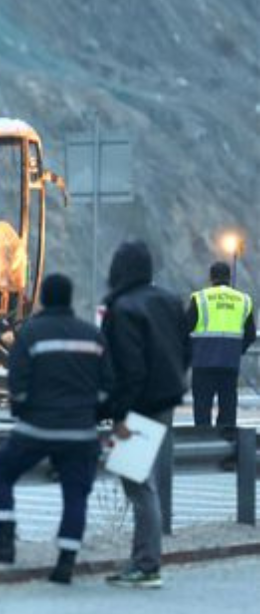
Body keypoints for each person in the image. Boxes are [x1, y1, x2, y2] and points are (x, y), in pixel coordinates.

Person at [0, 274, 112, 585]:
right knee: (75, 495)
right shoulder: (93, 336)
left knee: (0, 472)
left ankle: (4, 541)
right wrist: (91, 416)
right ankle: (66, 562)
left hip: (37, 429)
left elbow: (17, 382)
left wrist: (22, 412)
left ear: (44, 297)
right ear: (70, 298)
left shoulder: (32, 333)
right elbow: (107, 388)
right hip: (80, 433)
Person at [101, 241, 189, 588]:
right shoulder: (169, 300)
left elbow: (129, 368)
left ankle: (147, 565)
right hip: (165, 400)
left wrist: (120, 415)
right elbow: (186, 349)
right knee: (141, 480)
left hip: (138, 404)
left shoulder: (123, 308)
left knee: (138, 484)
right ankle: (143, 560)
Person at [186, 261, 255, 427]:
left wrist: (190, 353)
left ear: (211, 277)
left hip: (203, 362)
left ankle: (204, 445)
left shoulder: (200, 298)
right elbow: (251, 334)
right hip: (230, 363)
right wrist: (238, 350)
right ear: (229, 278)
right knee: (228, 407)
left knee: (202, 408)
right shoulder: (243, 300)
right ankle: (227, 445)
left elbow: (185, 329)